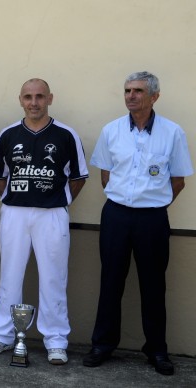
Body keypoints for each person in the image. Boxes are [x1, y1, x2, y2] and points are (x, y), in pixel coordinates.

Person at [85, 71, 193, 375]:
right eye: (127, 90)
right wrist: (127, 201)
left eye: (138, 91)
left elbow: (178, 181)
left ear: (154, 96)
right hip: (116, 214)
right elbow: (105, 174)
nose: (131, 96)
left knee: (153, 285)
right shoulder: (112, 131)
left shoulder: (173, 133)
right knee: (111, 282)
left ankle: (157, 350)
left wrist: (152, 203)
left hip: (153, 218)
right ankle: (102, 345)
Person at [0, 78, 88, 365]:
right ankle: (2, 336)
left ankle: (55, 340)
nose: (34, 102)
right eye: (28, 96)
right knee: (9, 276)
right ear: (20, 99)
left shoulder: (66, 134)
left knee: (54, 278)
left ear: (50, 98)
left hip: (52, 214)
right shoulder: (7, 134)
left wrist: (59, 202)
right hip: (15, 214)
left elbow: (79, 178)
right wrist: (12, 199)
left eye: (40, 96)